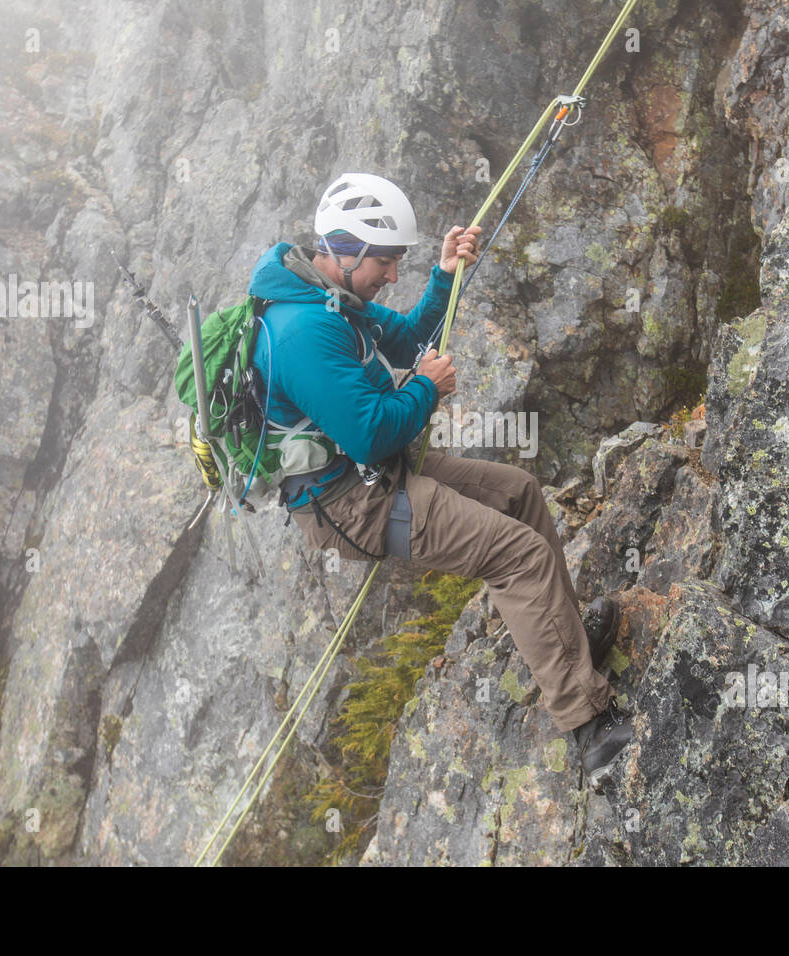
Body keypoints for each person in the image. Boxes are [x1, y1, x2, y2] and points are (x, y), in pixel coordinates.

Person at [247, 172, 633, 787]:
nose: (393, 275)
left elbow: (411, 337)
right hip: (355, 505)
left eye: (400, 263)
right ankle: (587, 724)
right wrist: (428, 387)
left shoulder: (332, 301)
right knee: (519, 556)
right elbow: (375, 432)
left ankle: (568, 649)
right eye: (387, 261)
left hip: (378, 475)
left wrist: (446, 275)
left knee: (520, 494)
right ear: (344, 249)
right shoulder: (303, 332)